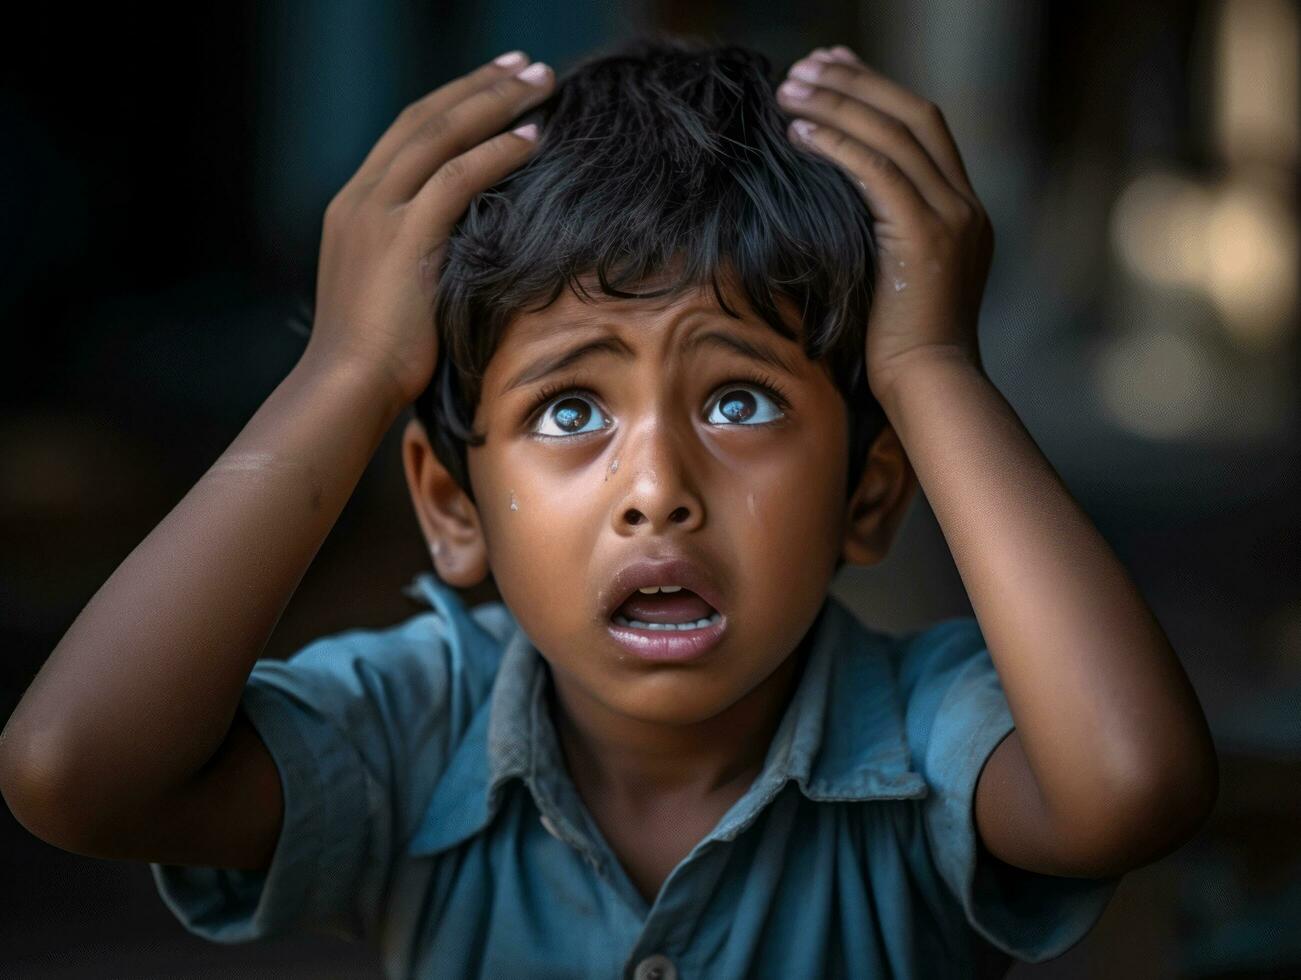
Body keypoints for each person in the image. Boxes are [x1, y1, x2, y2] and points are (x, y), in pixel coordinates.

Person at [0, 33, 1218, 980]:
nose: (656, 492)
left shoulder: (924, 737)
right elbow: (76, 771)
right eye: (571, 411)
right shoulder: (416, 728)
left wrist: (932, 367)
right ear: (451, 505)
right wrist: (345, 372)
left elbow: (1131, 786)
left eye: (739, 401)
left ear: (870, 490)